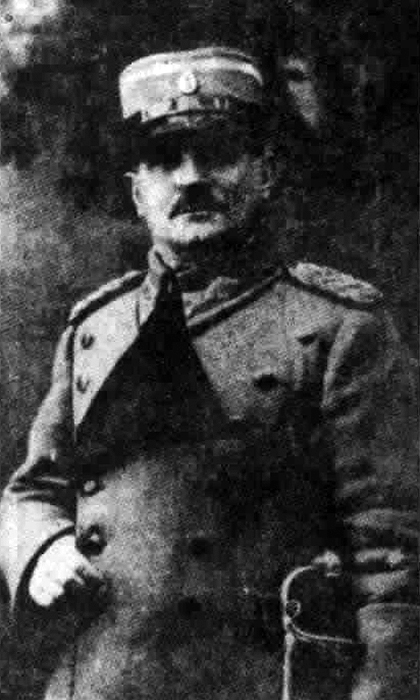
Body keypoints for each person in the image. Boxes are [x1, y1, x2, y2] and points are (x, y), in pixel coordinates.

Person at [0, 45, 417, 700]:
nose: (191, 178)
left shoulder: (340, 328)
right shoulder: (94, 329)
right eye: (166, 160)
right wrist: (42, 549)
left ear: (265, 171)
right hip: (99, 679)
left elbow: (393, 555)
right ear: (137, 192)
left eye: (218, 154)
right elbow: (32, 490)